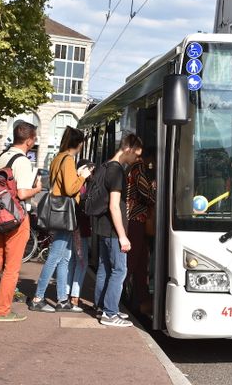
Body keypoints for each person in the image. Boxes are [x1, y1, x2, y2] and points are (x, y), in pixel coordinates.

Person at [0, 121, 42, 322]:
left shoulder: (1, 156)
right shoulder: (22, 161)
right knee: (11, 268)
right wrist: (37, 189)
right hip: (16, 219)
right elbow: (21, 193)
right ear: (29, 140)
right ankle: (3, 311)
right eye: (35, 138)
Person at [29, 127, 90, 313]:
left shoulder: (57, 157)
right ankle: (38, 297)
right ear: (79, 144)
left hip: (57, 211)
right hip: (64, 214)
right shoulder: (69, 160)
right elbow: (71, 189)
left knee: (64, 258)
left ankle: (62, 299)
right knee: (56, 257)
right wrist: (82, 177)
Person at [93, 133, 143, 327]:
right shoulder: (117, 171)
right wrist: (123, 236)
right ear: (128, 149)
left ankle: (101, 306)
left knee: (105, 268)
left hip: (103, 227)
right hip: (114, 230)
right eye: (136, 155)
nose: (136, 159)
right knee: (119, 270)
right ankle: (110, 312)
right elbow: (115, 205)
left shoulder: (104, 166)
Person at [125, 150, 156, 313]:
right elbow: (147, 195)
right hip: (136, 220)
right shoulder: (139, 169)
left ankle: (142, 298)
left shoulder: (132, 168)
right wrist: (156, 192)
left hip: (136, 220)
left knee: (140, 261)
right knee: (133, 260)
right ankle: (113, 300)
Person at [66, 159, 95, 308]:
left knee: (71, 261)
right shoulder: (82, 185)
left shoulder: (75, 183)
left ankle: (66, 292)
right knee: (82, 262)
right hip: (80, 228)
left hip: (71, 227)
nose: (92, 173)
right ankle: (75, 296)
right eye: (90, 170)